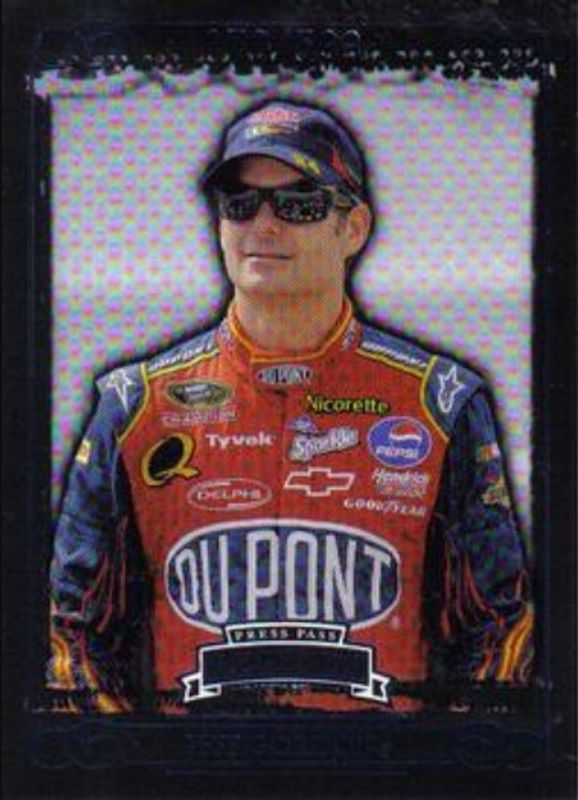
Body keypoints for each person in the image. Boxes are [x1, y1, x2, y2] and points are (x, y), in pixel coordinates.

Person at [47, 98, 533, 714]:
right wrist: (134, 757)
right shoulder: (135, 406)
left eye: (298, 203)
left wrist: (441, 759)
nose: (264, 225)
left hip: (377, 759)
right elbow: (73, 632)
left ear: (353, 228)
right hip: (197, 759)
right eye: (240, 203)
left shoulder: (439, 403)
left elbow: (498, 629)